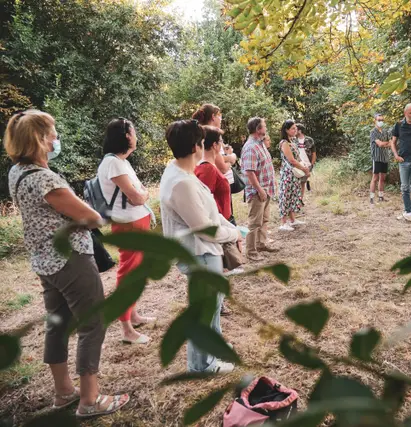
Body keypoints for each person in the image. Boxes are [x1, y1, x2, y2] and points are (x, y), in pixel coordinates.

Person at [5, 110, 129, 417]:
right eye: (52, 133)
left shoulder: (16, 173)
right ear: (40, 139)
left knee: (57, 323)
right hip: (69, 260)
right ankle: (90, 399)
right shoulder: (46, 179)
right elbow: (89, 217)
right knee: (93, 323)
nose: (56, 138)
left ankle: (63, 392)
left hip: (44, 261)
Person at [159, 119, 240, 374]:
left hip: (202, 251)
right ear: (197, 146)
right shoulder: (181, 182)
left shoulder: (180, 172)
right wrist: (234, 232)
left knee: (212, 305)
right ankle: (202, 365)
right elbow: (204, 227)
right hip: (200, 252)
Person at [97, 118, 155, 345]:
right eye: (134, 132)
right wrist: (144, 194)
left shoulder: (121, 161)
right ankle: (126, 329)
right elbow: (137, 195)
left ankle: (133, 314)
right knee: (128, 275)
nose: (137, 135)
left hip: (136, 222)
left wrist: (143, 194)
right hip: (128, 225)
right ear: (125, 136)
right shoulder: (113, 163)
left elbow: (139, 193)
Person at [195, 126, 245, 277]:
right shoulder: (207, 169)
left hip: (222, 220)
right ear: (215, 145)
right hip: (217, 223)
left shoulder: (210, 166)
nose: (223, 145)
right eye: (221, 141)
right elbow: (205, 201)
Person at [192, 104, 239, 223]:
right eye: (220, 116)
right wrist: (231, 159)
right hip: (219, 216)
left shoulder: (203, 132)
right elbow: (222, 167)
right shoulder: (208, 169)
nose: (221, 119)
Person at [240, 117, 278, 261]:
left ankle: (261, 244)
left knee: (264, 220)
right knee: (254, 223)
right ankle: (251, 252)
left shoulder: (260, 144)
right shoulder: (250, 147)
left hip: (266, 189)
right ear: (258, 129)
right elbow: (249, 172)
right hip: (257, 192)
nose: (266, 128)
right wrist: (260, 190)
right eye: (264, 126)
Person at [278, 120, 309, 231]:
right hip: (288, 173)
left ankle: (292, 219)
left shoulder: (293, 141)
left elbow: (297, 157)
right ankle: (283, 222)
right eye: (292, 128)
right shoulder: (284, 143)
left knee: (294, 194)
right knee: (286, 195)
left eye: (295, 128)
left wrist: (303, 164)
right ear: (286, 130)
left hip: (295, 172)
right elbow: (291, 160)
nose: (295, 130)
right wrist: (304, 169)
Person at [369, 113, 392, 204]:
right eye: (379, 120)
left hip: (385, 157)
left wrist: (385, 144)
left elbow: (391, 143)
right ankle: (371, 198)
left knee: (382, 178)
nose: (380, 122)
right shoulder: (373, 132)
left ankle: (381, 197)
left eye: (382, 120)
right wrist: (386, 144)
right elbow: (380, 144)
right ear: (375, 120)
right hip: (377, 157)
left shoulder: (385, 131)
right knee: (375, 178)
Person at [295, 123, 316, 200]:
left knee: (302, 183)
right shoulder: (293, 140)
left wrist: (312, 164)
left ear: (299, 131)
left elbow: (314, 153)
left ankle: (300, 200)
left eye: (295, 129)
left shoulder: (309, 140)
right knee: (296, 183)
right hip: (297, 164)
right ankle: (296, 199)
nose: (294, 130)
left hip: (307, 165)